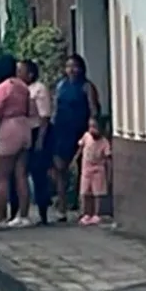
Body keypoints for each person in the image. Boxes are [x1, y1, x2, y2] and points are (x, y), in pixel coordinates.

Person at [52, 54, 101, 220]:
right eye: (68, 66)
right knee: (60, 167)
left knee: (84, 169)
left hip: (80, 130)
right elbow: (55, 107)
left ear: (81, 68)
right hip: (62, 130)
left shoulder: (86, 87)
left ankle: (84, 207)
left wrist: (92, 128)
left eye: (75, 66)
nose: (71, 70)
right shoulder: (60, 85)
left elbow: (93, 108)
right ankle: (62, 205)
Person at [0, 54, 33, 229]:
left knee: (2, 178)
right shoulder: (23, 86)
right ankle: (23, 215)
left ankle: (0, 218)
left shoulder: (2, 88)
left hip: (7, 129)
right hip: (24, 127)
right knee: (21, 175)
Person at [19, 59, 54, 225]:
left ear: (30, 74)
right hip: (25, 133)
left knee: (39, 172)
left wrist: (40, 140)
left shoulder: (39, 90)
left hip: (38, 132)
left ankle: (43, 211)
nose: (18, 74)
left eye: (21, 71)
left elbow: (44, 117)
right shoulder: (21, 88)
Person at [75, 117, 111, 225]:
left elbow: (108, 158)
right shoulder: (86, 136)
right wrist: (75, 159)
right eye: (90, 126)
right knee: (86, 192)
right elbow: (80, 148)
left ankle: (97, 214)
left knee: (97, 193)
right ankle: (87, 213)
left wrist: (109, 174)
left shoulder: (104, 142)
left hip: (98, 170)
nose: (92, 130)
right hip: (86, 169)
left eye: (95, 127)